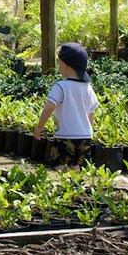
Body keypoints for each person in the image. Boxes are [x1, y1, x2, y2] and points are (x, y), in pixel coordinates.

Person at [33, 43, 99, 171]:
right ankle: (74, 187)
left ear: (66, 65)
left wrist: (40, 127)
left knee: (59, 165)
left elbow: (49, 107)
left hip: (65, 136)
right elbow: (91, 113)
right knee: (76, 165)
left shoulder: (60, 86)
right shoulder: (88, 88)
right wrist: (90, 131)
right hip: (85, 137)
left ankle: (66, 185)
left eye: (59, 63)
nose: (58, 66)